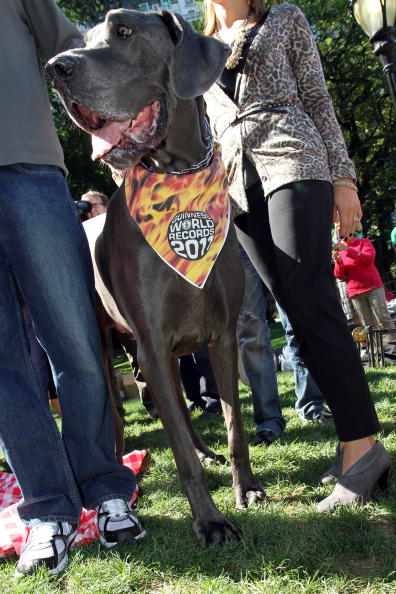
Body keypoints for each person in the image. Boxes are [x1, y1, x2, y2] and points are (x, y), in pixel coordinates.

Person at [203, 0, 390, 511]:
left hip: (294, 160)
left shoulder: (283, 17)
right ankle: (359, 442)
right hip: (237, 185)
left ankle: (362, 447)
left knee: (315, 306)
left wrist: (344, 177)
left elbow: (318, 99)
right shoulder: (197, 47)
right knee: (298, 319)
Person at [0, 0, 145, 577]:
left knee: (76, 344)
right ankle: (48, 511)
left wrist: (114, 120)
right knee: (4, 365)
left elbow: (75, 53)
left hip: (30, 171)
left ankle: (105, 489)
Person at [237, 245, 332, 447]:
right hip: (239, 237)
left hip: (279, 235)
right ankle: (268, 420)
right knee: (252, 332)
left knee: (299, 324)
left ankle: (311, 404)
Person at [333, 226, 395, 341]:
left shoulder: (364, 242)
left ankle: (392, 348)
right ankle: (378, 354)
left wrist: (349, 250)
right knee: (368, 326)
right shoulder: (340, 251)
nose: (344, 238)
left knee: (384, 319)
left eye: (345, 234)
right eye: (341, 236)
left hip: (373, 287)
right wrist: (339, 261)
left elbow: (368, 259)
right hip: (355, 292)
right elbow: (339, 275)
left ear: (351, 232)